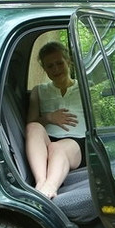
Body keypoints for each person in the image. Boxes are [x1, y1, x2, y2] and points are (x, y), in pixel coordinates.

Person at [25, 41, 86, 199]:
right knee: (33, 127)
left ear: (69, 62)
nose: (56, 69)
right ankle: (41, 183)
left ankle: (50, 188)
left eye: (60, 63)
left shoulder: (86, 88)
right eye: (50, 66)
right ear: (45, 69)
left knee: (56, 148)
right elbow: (30, 122)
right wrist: (49, 117)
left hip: (76, 142)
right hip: (47, 141)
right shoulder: (39, 91)